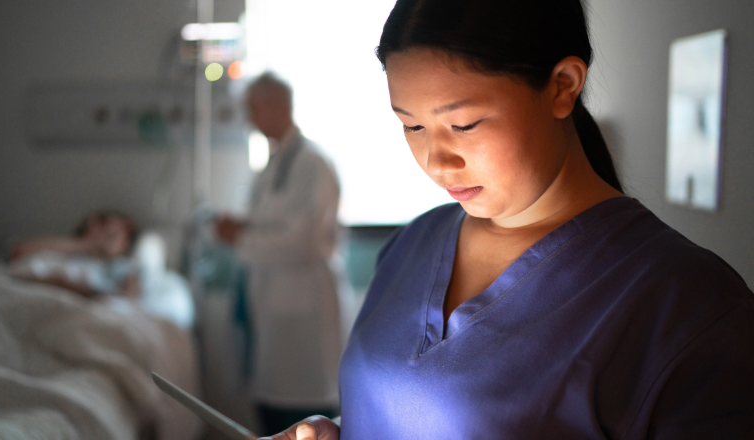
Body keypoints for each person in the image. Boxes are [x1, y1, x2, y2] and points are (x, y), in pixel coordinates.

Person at [264, 0, 754, 439]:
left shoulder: (687, 303)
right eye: (411, 125)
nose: (436, 161)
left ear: (563, 86)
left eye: (463, 124)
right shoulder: (415, 242)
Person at [215, 73, 347, 436]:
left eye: (252, 109)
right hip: (274, 308)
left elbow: (303, 241)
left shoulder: (312, 163)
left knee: (306, 417)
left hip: (302, 309)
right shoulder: (275, 163)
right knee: (271, 408)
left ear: (275, 105)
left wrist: (240, 239)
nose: (248, 118)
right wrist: (241, 228)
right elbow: (273, 222)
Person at [7, 210, 141, 298]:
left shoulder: (124, 267)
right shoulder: (61, 253)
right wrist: (85, 244)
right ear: (93, 225)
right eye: (109, 227)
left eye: (125, 235)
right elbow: (17, 253)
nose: (119, 233)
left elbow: (128, 302)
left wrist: (65, 285)